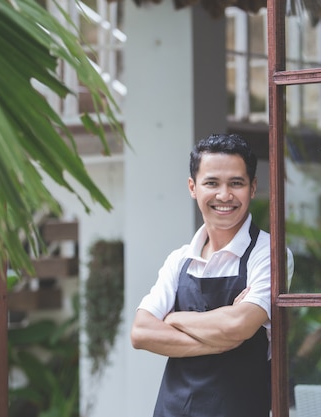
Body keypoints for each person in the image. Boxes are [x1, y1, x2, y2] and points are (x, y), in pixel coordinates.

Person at [131, 133, 293, 417]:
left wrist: (174, 319)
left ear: (253, 188)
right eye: (212, 183)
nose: (224, 195)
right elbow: (141, 332)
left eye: (236, 183)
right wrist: (221, 339)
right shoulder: (178, 259)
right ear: (193, 187)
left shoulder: (269, 254)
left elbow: (238, 327)